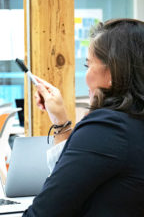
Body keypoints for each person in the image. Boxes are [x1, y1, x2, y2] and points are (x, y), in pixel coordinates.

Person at [23, 18, 144, 216]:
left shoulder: (109, 127)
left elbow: (45, 211)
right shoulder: (131, 124)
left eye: (88, 65)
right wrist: (60, 122)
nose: (86, 76)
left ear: (113, 71)